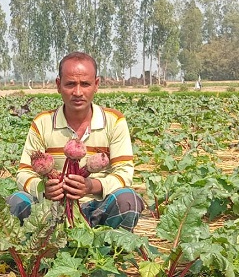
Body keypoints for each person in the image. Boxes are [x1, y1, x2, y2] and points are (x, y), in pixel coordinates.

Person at [8, 51, 144, 232]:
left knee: (129, 199)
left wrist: (91, 186)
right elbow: (24, 173)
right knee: (16, 201)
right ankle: (47, 244)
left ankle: (108, 248)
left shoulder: (114, 121)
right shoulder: (42, 122)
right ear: (58, 85)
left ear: (96, 85)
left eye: (85, 84)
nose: (78, 92)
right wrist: (44, 189)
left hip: (97, 207)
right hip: (51, 211)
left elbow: (124, 173)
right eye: (70, 84)